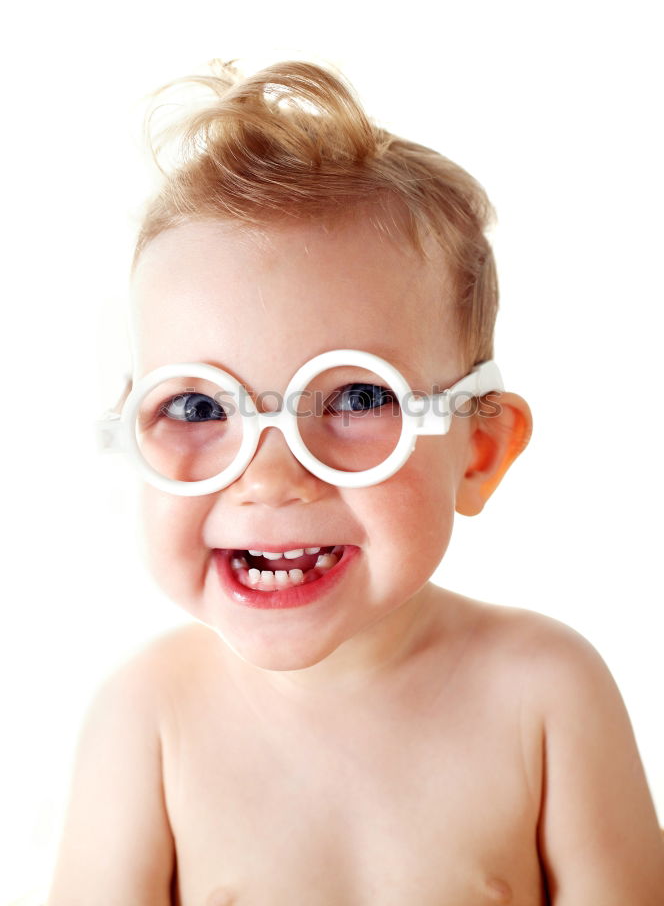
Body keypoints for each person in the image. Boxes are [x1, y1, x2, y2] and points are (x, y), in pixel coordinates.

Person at [47, 60, 664, 905]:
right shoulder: (147, 721)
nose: (267, 478)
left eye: (357, 396)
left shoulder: (548, 694)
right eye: (196, 406)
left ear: (480, 450)